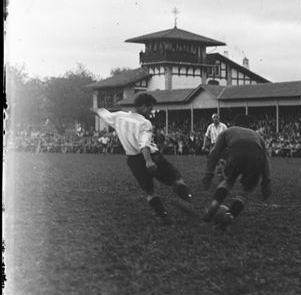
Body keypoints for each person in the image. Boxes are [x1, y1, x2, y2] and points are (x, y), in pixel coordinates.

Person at [93, 92, 193, 224]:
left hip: (133, 161)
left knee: (149, 191)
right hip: (151, 157)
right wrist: (149, 161)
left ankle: (165, 217)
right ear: (144, 107)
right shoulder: (145, 123)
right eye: (150, 108)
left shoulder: (118, 116)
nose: (151, 112)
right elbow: (144, 144)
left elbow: (101, 112)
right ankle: (189, 204)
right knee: (177, 178)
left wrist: (93, 110)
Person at [201, 114, 272, 231]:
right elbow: (265, 160)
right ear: (249, 125)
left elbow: (214, 153)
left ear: (235, 123)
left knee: (228, 181)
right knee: (246, 190)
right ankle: (230, 214)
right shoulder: (258, 136)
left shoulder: (228, 131)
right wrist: (266, 182)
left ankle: (214, 205)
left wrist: (209, 174)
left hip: (236, 154)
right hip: (256, 157)